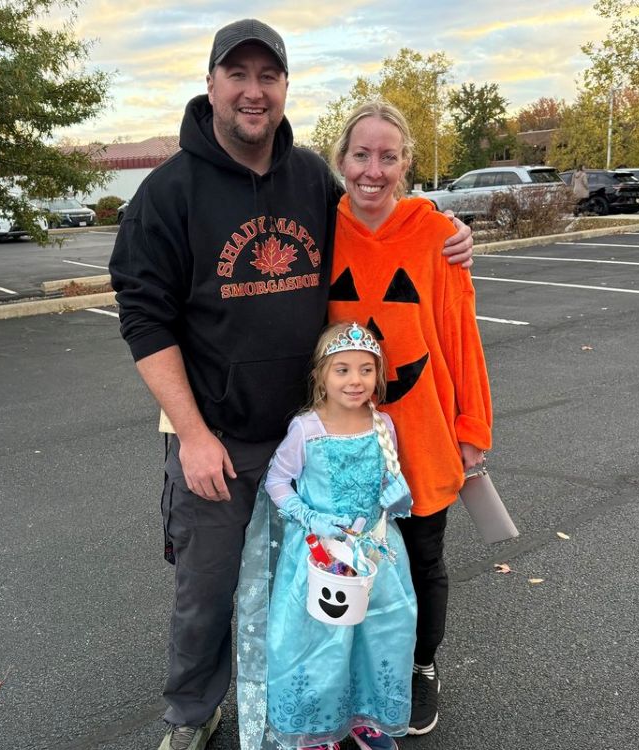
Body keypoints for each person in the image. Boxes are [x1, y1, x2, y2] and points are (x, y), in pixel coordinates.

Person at [108, 19, 474, 750]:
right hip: (221, 439)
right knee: (206, 590)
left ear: (283, 88)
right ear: (211, 83)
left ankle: (320, 707)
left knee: (321, 586)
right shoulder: (168, 193)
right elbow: (144, 321)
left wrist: (442, 228)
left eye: (267, 76)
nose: (254, 91)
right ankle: (193, 713)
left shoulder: (310, 177)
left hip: (319, 435)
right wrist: (192, 436)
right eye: (237, 75)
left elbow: (375, 218)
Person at [326, 100, 493, 737]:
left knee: (422, 559)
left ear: (406, 164)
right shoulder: (320, 232)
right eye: (361, 155)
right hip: (345, 436)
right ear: (341, 160)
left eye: (388, 157)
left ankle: (422, 664)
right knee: (348, 558)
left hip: (419, 432)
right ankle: (358, 666)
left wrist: (472, 426)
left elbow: (459, 334)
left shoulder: (434, 234)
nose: (373, 170)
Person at [236, 321, 418, 750]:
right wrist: (310, 517)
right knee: (319, 642)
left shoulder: (382, 424)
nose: (356, 380)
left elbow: (387, 480)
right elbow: (277, 482)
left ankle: (365, 717)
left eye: (366, 370)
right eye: (342, 370)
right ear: (321, 375)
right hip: (321, 556)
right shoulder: (307, 429)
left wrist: (398, 496)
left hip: (376, 554)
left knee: (380, 634)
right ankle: (317, 727)